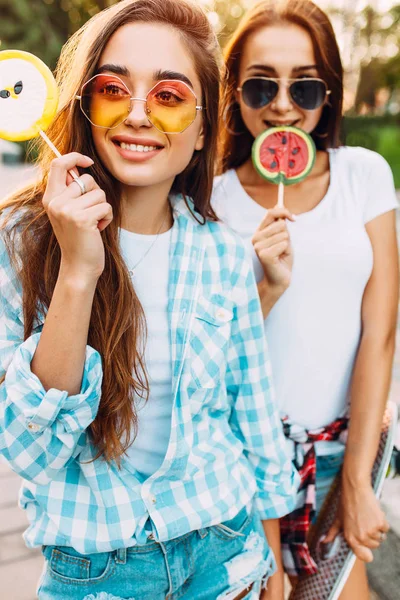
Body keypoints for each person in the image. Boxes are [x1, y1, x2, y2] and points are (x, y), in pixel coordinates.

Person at [0, 1, 299, 599]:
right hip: (95, 572)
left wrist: (272, 555)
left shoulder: (223, 254)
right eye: (114, 88)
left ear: (202, 131)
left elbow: (252, 414)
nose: (137, 115)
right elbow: (32, 451)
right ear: (83, 105)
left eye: (168, 96)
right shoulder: (20, 246)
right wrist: (79, 273)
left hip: (226, 548)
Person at [212, 0, 399, 598]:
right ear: (234, 93)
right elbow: (210, 354)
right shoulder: (207, 201)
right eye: (261, 85)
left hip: (345, 443)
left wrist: (357, 482)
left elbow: (381, 332)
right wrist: (265, 287)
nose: (284, 105)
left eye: (307, 87)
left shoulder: (363, 176)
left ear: (331, 94)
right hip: (242, 457)